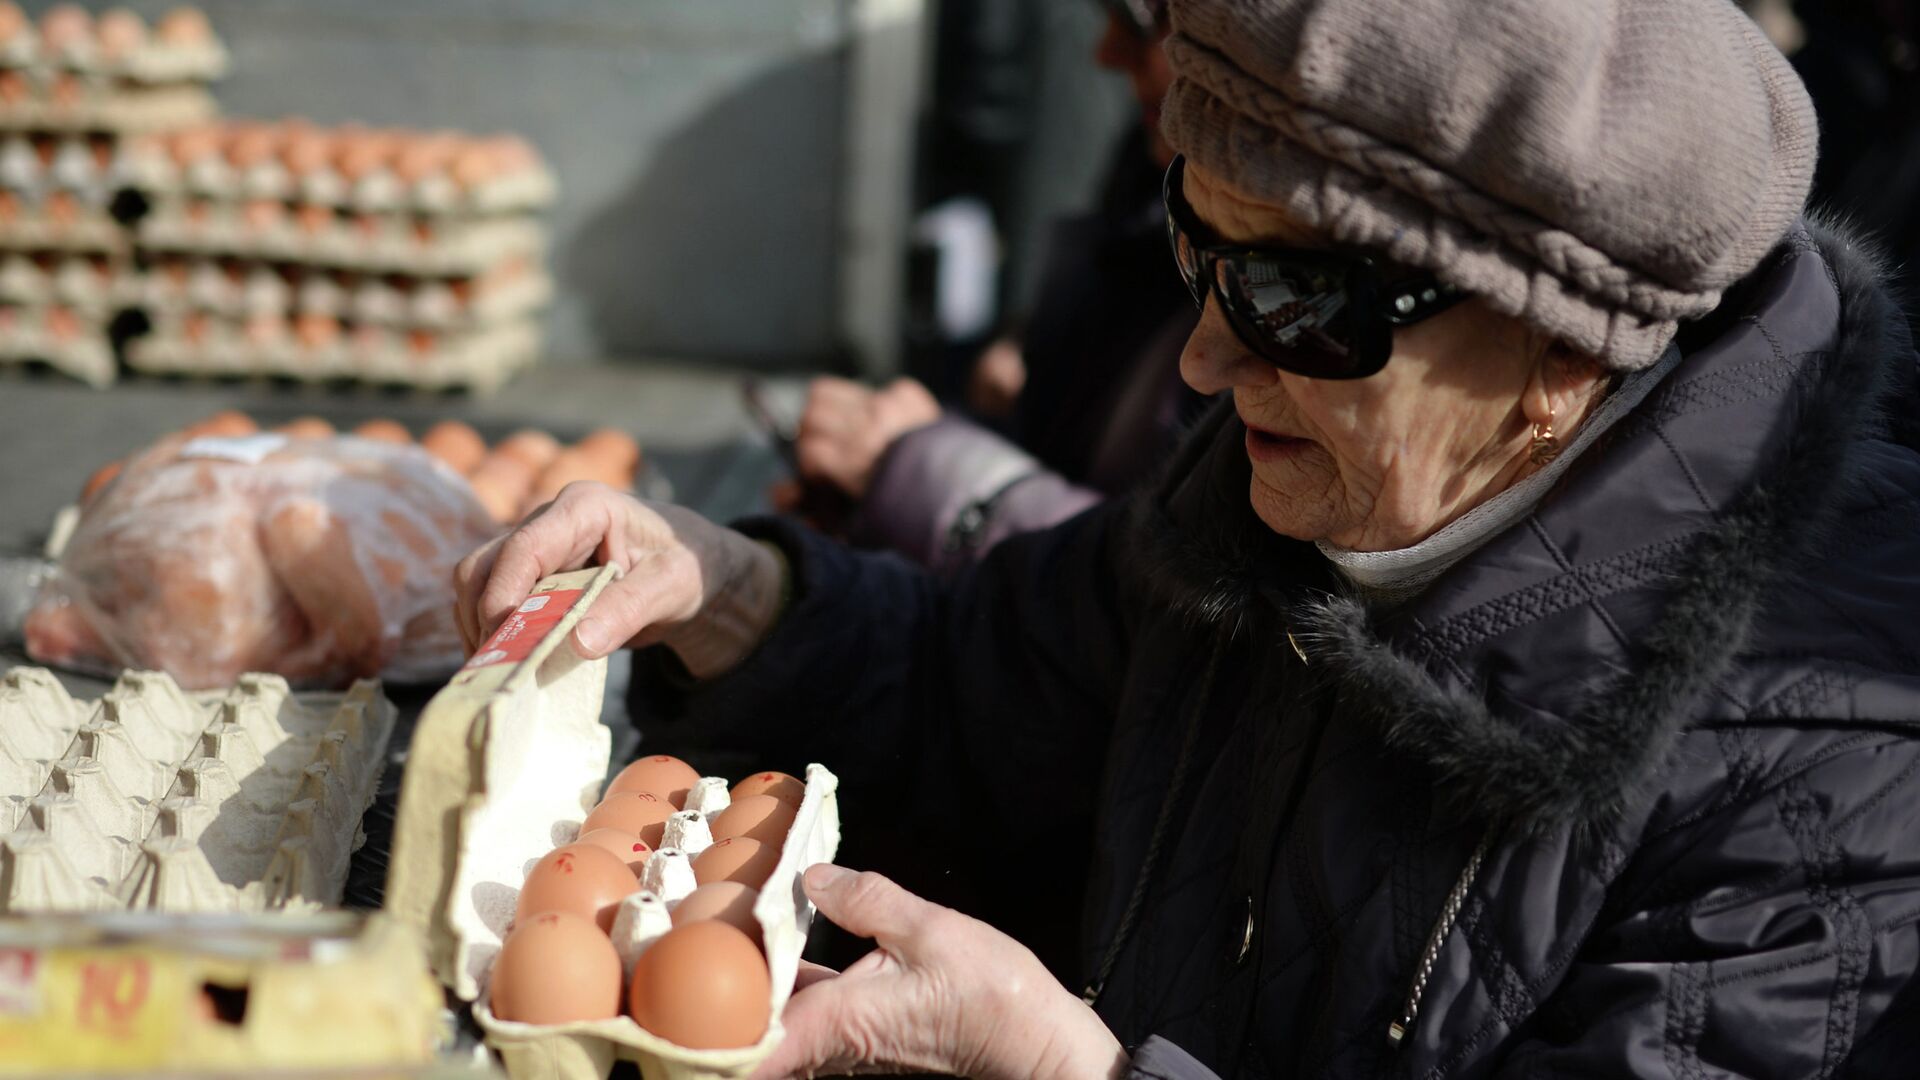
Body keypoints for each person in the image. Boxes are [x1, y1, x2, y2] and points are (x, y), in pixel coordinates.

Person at [456, 0, 1920, 1075]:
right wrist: (727, 589)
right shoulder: (1293, 489)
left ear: (1564, 350)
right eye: (1194, 249)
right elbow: (991, 678)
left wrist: (1071, 1070)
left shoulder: (1832, 773)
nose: (1206, 362)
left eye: (1295, 302)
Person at [781, 0, 1206, 575]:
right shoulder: (1156, 175)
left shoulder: (1286, 280)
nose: (1105, 54)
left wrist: (912, 465)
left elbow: (1166, 593)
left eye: (1143, 22)